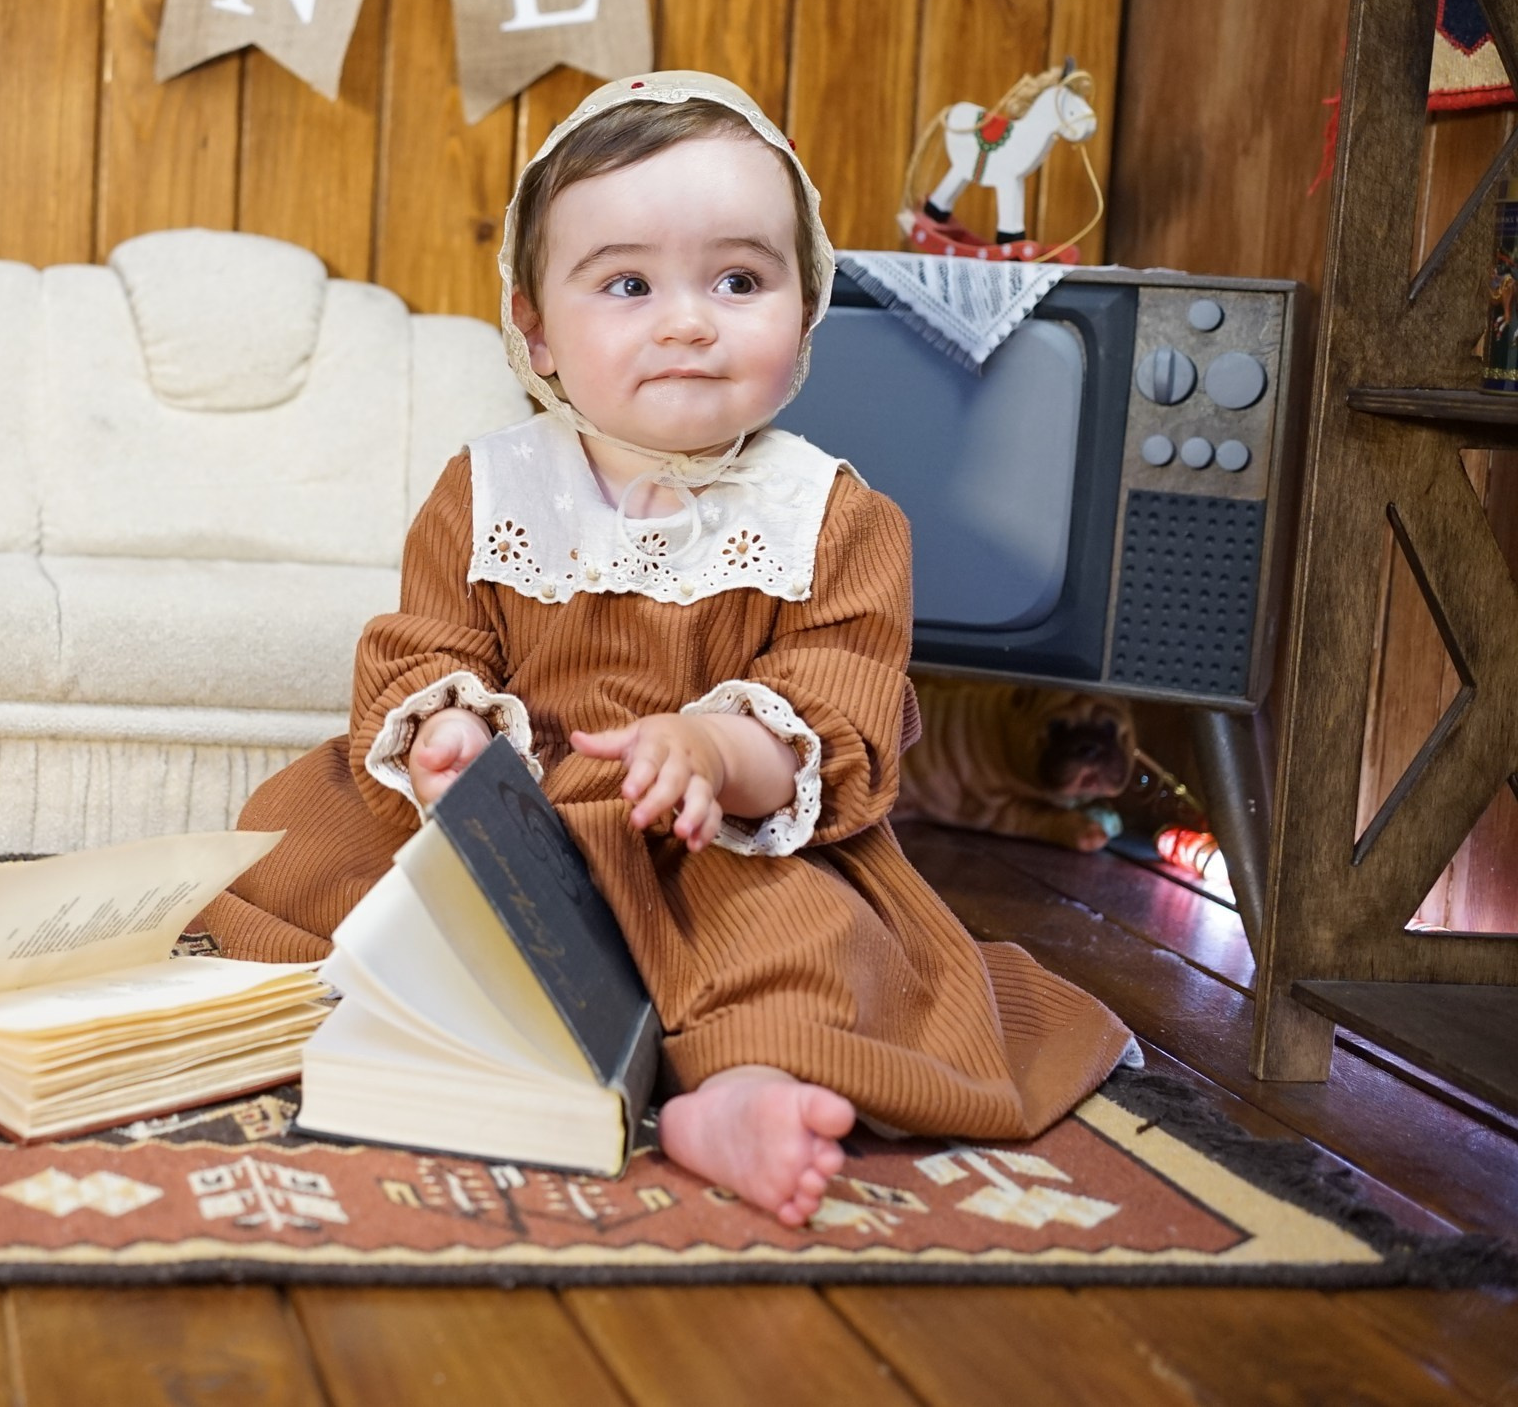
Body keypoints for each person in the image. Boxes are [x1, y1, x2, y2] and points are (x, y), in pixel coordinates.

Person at [199, 71, 1132, 1226]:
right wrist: (446, 733)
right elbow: (425, 637)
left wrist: (716, 751)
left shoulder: (830, 519)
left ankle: (736, 1090)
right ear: (534, 329)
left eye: (739, 280)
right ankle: (380, 1014)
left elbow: (835, 710)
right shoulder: (488, 488)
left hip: (707, 843)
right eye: (627, 283)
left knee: (799, 936)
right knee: (297, 852)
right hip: (520, 812)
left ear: (802, 324)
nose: (688, 320)